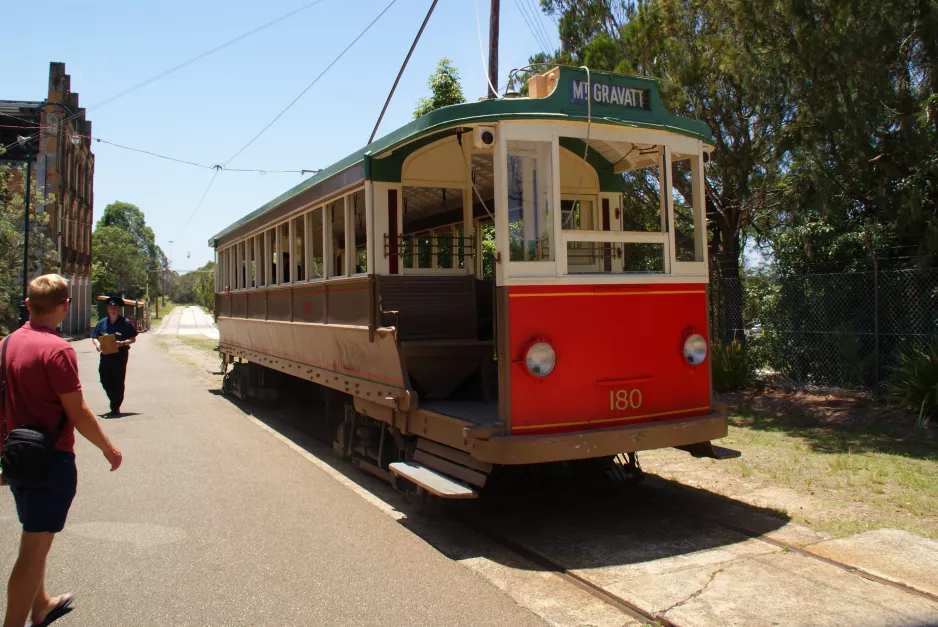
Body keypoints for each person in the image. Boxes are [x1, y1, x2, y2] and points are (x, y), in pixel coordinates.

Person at [1, 274, 122, 627]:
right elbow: (78, 411)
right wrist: (108, 448)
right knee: (32, 550)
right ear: (65, 307)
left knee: (35, 539)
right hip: (49, 460)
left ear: (28, 304)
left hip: (17, 457)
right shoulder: (57, 350)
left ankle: (40, 605)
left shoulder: (6, 344)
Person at [90, 296, 138, 416]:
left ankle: (115, 406)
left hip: (120, 355)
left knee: (117, 380)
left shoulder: (125, 323)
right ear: (108, 309)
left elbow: (133, 339)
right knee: (104, 377)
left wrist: (122, 343)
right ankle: (113, 398)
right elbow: (94, 336)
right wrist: (97, 344)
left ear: (119, 309)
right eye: (111, 308)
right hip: (106, 354)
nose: (113, 310)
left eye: (115, 308)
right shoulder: (102, 323)